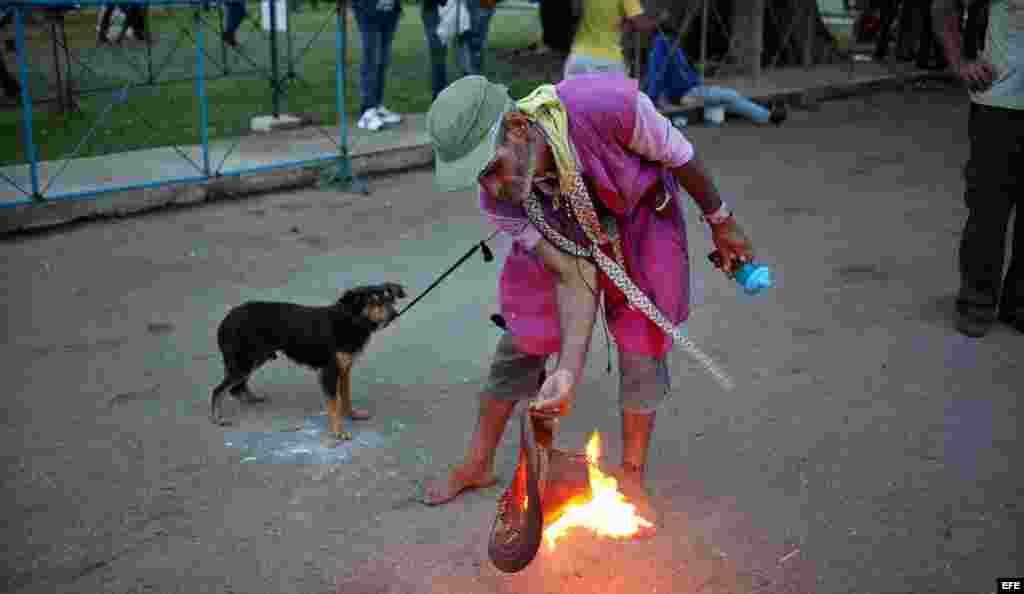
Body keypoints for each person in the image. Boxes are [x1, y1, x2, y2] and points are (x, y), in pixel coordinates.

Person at [419, 74, 757, 507]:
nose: (491, 188)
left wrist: (721, 220)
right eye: (477, 178)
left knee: (641, 342)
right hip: (560, 236)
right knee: (525, 337)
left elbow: (681, 157)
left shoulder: (606, 105)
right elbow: (570, 273)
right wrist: (567, 372)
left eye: (490, 169)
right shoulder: (501, 201)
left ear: (519, 128)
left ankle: (632, 475)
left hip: (639, 216)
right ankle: (477, 462)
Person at [935, 0, 1023, 336]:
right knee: (989, 208)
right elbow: (943, 7)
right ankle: (977, 301)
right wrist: (960, 63)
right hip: (998, 106)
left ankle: (1018, 303)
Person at [643, 33, 787, 126]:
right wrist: (654, 100)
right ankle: (767, 115)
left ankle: (769, 117)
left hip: (693, 90)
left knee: (732, 101)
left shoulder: (672, 47)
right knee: (731, 95)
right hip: (687, 94)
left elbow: (684, 73)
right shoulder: (661, 49)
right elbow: (656, 77)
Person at [342, 0, 403, 131]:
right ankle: (367, 111)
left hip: (390, 10)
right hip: (367, 9)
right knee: (371, 58)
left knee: (383, 60)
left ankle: (377, 106)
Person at [421, 0, 497, 101]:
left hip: (473, 5)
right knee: (438, 54)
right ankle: (439, 101)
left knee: (471, 55)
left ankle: (475, 100)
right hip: (436, 6)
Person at [562, 0, 657, 78]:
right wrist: (660, 20)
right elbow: (640, 24)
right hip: (609, 61)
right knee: (613, 101)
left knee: (574, 100)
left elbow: (575, 12)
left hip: (578, 57)